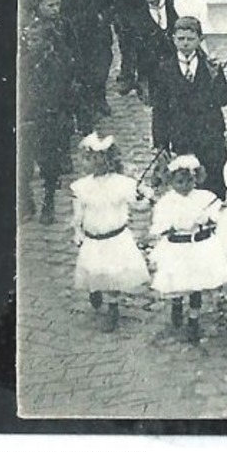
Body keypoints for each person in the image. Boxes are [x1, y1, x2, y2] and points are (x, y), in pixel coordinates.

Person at [69, 132, 151, 333]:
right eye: (90, 159)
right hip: (93, 237)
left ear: (110, 160)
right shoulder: (82, 187)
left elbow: (139, 205)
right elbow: (78, 214)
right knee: (94, 267)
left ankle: (113, 307)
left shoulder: (122, 183)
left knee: (112, 271)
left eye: (99, 158)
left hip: (115, 236)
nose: (95, 163)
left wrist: (144, 197)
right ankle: (95, 288)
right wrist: (77, 231)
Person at [149, 153, 227, 342]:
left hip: (197, 246)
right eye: (179, 182)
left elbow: (217, 215)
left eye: (189, 181)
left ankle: (194, 319)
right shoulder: (166, 202)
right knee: (177, 280)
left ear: (196, 179)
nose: (185, 186)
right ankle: (177, 304)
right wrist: (168, 226)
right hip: (177, 247)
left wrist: (214, 216)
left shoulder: (204, 198)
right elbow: (159, 225)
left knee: (196, 284)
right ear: (171, 182)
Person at [150, 16, 227, 199]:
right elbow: (160, 109)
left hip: (210, 137)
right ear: (173, 39)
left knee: (214, 182)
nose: (185, 43)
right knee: (186, 184)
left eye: (190, 39)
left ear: (200, 40)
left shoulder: (209, 66)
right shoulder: (165, 69)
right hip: (182, 138)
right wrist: (161, 143)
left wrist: (217, 76)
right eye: (181, 39)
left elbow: (223, 98)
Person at [19, 0, 76, 224]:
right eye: (49, 5)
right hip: (28, 107)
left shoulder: (63, 27)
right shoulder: (25, 30)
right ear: (38, 5)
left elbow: (72, 61)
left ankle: (49, 201)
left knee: (49, 158)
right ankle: (26, 201)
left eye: (57, 4)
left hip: (53, 104)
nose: (54, 9)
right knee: (23, 159)